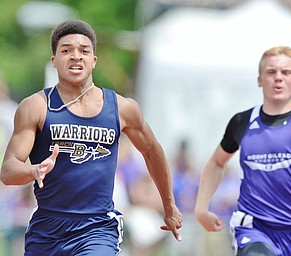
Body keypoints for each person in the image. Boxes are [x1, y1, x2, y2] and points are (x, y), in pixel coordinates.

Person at [0, 20, 182, 256]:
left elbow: (152, 151)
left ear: (94, 60)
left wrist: (169, 205)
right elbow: (8, 170)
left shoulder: (121, 108)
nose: (76, 56)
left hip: (97, 227)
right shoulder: (36, 107)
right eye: (66, 50)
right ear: (54, 61)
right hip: (47, 228)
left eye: (84, 50)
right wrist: (33, 171)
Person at [194, 46, 291, 256]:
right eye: (271, 72)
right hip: (252, 227)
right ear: (260, 79)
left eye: (286, 72)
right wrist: (201, 208)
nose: (278, 78)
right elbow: (217, 162)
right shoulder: (242, 122)